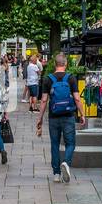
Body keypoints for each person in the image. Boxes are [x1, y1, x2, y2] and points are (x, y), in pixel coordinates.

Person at [36, 53, 86, 183]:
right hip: (68, 116)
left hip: (53, 116)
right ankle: (66, 162)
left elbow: (43, 100)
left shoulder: (48, 79)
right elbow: (76, 98)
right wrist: (82, 114)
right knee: (70, 143)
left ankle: (56, 174)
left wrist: (40, 118)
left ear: (55, 64)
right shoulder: (71, 78)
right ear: (66, 64)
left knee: (54, 144)